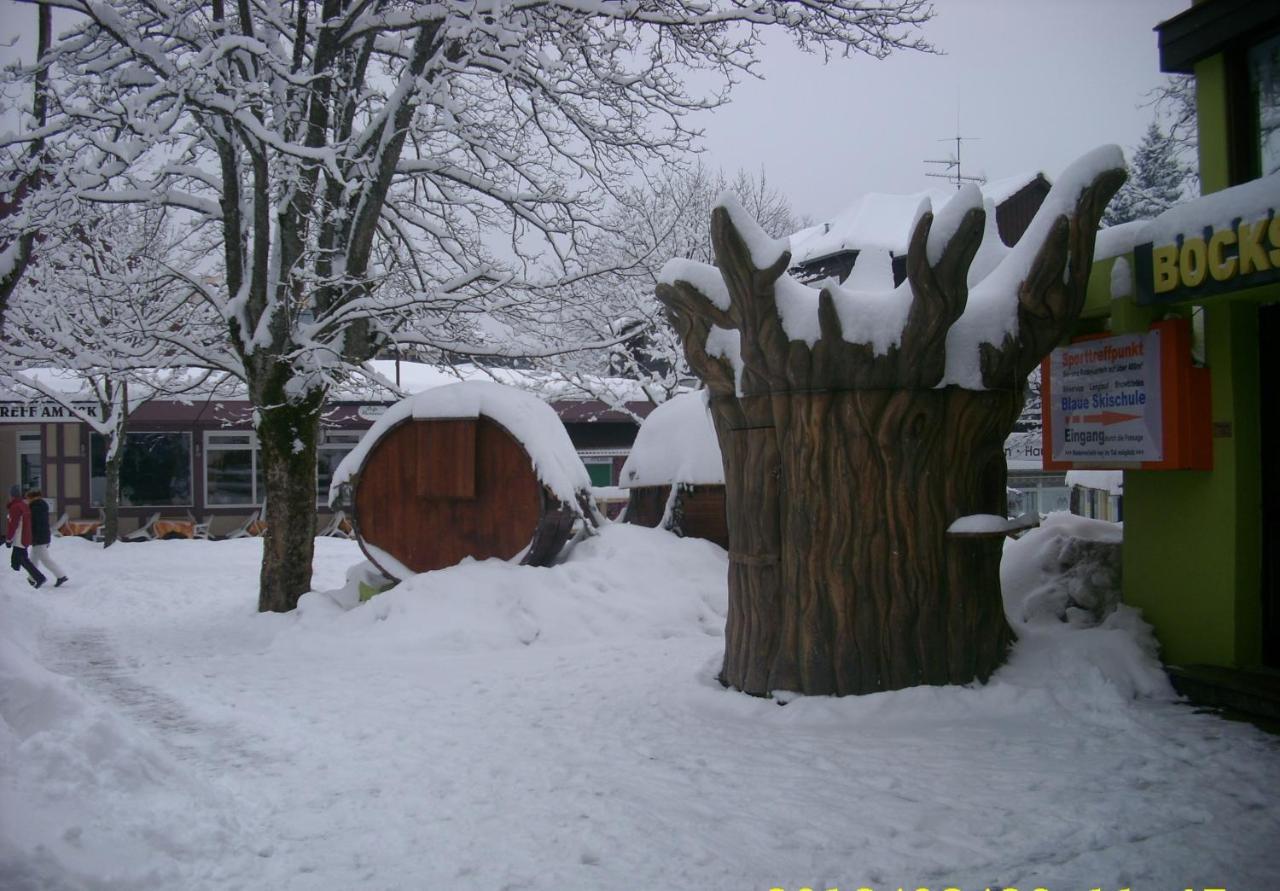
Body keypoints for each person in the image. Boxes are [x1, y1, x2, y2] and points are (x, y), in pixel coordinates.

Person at [6, 484, 47, 589]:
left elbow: (13, 524)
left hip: (19, 538)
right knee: (17, 560)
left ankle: (38, 578)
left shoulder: (15, 507)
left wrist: (9, 538)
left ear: (12, 495)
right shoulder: (24, 505)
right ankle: (18, 582)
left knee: (21, 560)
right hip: (25, 536)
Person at [26, 488, 68, 588]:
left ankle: (60, 576)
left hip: (39, 537)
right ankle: (32, 578)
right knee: (33, 559)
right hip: (42, 535)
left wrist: (33, 537)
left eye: (28, 498)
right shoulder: (41, 505)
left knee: (45, 559)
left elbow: (35, 524)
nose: (27, 500)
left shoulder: (35, 508)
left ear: (32, 497)